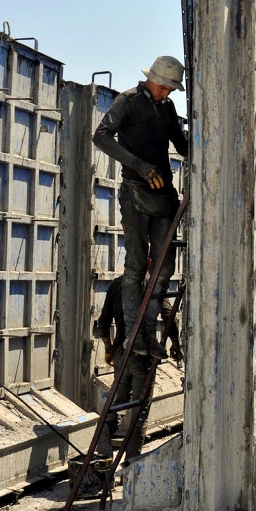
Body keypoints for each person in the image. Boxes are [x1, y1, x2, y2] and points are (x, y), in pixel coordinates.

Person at [93, 56, 189, 361]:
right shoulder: (128, 101)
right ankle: (135, 336)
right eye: (165, 88)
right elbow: (101, 135)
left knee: (163, 267)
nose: (167, 94)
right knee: (136, 266)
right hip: (135, 192)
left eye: (170, 90)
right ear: (154, 81)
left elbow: (183, 144)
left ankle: (148, 333)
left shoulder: (167, 108)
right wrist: (138, 165)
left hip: (163, 195)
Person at [94, 276, 181, 460]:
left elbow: (103, 322)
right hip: (144, 357)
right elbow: (169, 317)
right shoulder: (155, 282)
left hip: (120, 354)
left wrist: (109, 349)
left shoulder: (117, 284)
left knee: (119, 402)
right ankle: (131, 465)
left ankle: (106, 431)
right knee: (140, 413)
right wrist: (176, 345)